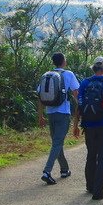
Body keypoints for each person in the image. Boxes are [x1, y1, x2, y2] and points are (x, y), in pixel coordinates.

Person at [72, 57, 103, 200]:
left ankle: (90, 186)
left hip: (88, 125)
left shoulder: (85, 83)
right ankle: (98, 191)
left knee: (91, 155)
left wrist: (76, 125)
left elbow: (79, 106)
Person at [36, 51, 79, 185]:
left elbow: (40, 96)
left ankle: (64, 169)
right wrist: (80, 112)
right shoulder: (68, 74)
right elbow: (76, 93)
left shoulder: (47, 75)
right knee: (57, 143)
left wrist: (41, 115)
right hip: (63, 113)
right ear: (63, 61)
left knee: (57, 142)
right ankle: (47, 171)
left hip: (50, 113)